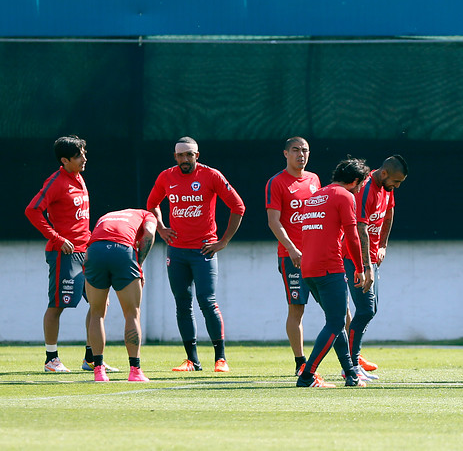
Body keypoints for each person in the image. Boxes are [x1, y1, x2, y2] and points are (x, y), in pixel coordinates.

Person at [147, 136, 245, 372]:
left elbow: (238, 206)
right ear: (175, 157)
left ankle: (220, 359)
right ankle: (192, 360)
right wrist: (161, 227)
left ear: (197, 156)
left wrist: (223, 241)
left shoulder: (211, 175)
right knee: (182, 304)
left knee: (207, 301)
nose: (184, 159)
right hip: (177, 251)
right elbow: (152, 204)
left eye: (189, 154)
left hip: (204, 249)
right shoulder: (166, 176)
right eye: (180, 155)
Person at [25, 135, 116, 373]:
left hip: (87, 252)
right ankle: (51, 359)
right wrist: (57, 238)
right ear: (65, 160)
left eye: (84, 153)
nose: (84, 158)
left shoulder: (79, 177)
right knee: (58, 305)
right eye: (79, 156)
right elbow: (32, 210)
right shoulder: (55, 182)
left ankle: (91, 358)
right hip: (63, 253)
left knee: (100, 303)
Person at [296, 157, 373, 388]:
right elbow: (353, 235)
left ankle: (351, 374)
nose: (360, 190)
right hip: (329, 267)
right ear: (356, 181)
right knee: (335, 322)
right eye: (361, 185)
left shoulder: (315, 196)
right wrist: (360, 268)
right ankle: (307, 375)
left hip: (308, 269)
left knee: (335, 323)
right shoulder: (345, 196)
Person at [343, 155, 408, 380]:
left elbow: (389, 214)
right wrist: (366, 266)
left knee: (371, 310)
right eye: (396, 182)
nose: (397, 187)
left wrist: (382, 244)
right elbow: (360, 228)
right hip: (354, 259)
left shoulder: (386, 190)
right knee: (365, 310)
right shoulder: (366, 189)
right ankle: (350, 365)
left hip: (371, 259)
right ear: (384, 174)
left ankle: (353, 362)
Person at [265, 137, 321, 375]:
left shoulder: (314, 179)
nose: (301, 154)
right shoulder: (276, 183)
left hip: (320, 255)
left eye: (305, 150)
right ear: (286, 153)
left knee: (339, 307)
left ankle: (351, 358)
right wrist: (291, 248)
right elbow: (273, 222)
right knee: (297, 308)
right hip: (292, 257)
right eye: (296, 150)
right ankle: (300, 362)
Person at [84, 209, 157, 382]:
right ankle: (135, 371)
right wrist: (139, 265)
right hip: (122, 251)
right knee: (132, 314)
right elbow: (149, 234)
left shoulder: (105, 215)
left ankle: (99, 371)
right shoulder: (147, 215)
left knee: (96, 313)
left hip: (94, 251)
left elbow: (91, 243)